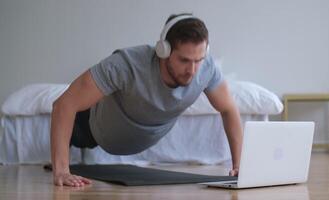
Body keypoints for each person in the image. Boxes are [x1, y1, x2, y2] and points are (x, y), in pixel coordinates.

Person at [50, 13, 243, 187]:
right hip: (98, 130)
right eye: (184, 60)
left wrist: (240, 166)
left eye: (198, 60)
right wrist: (61, 171)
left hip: (143, 136)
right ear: (163, 51)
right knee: (73, 122)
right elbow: (64, 104)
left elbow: (229, 109)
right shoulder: (126, 65)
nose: (192, 70)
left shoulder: (207, 69)